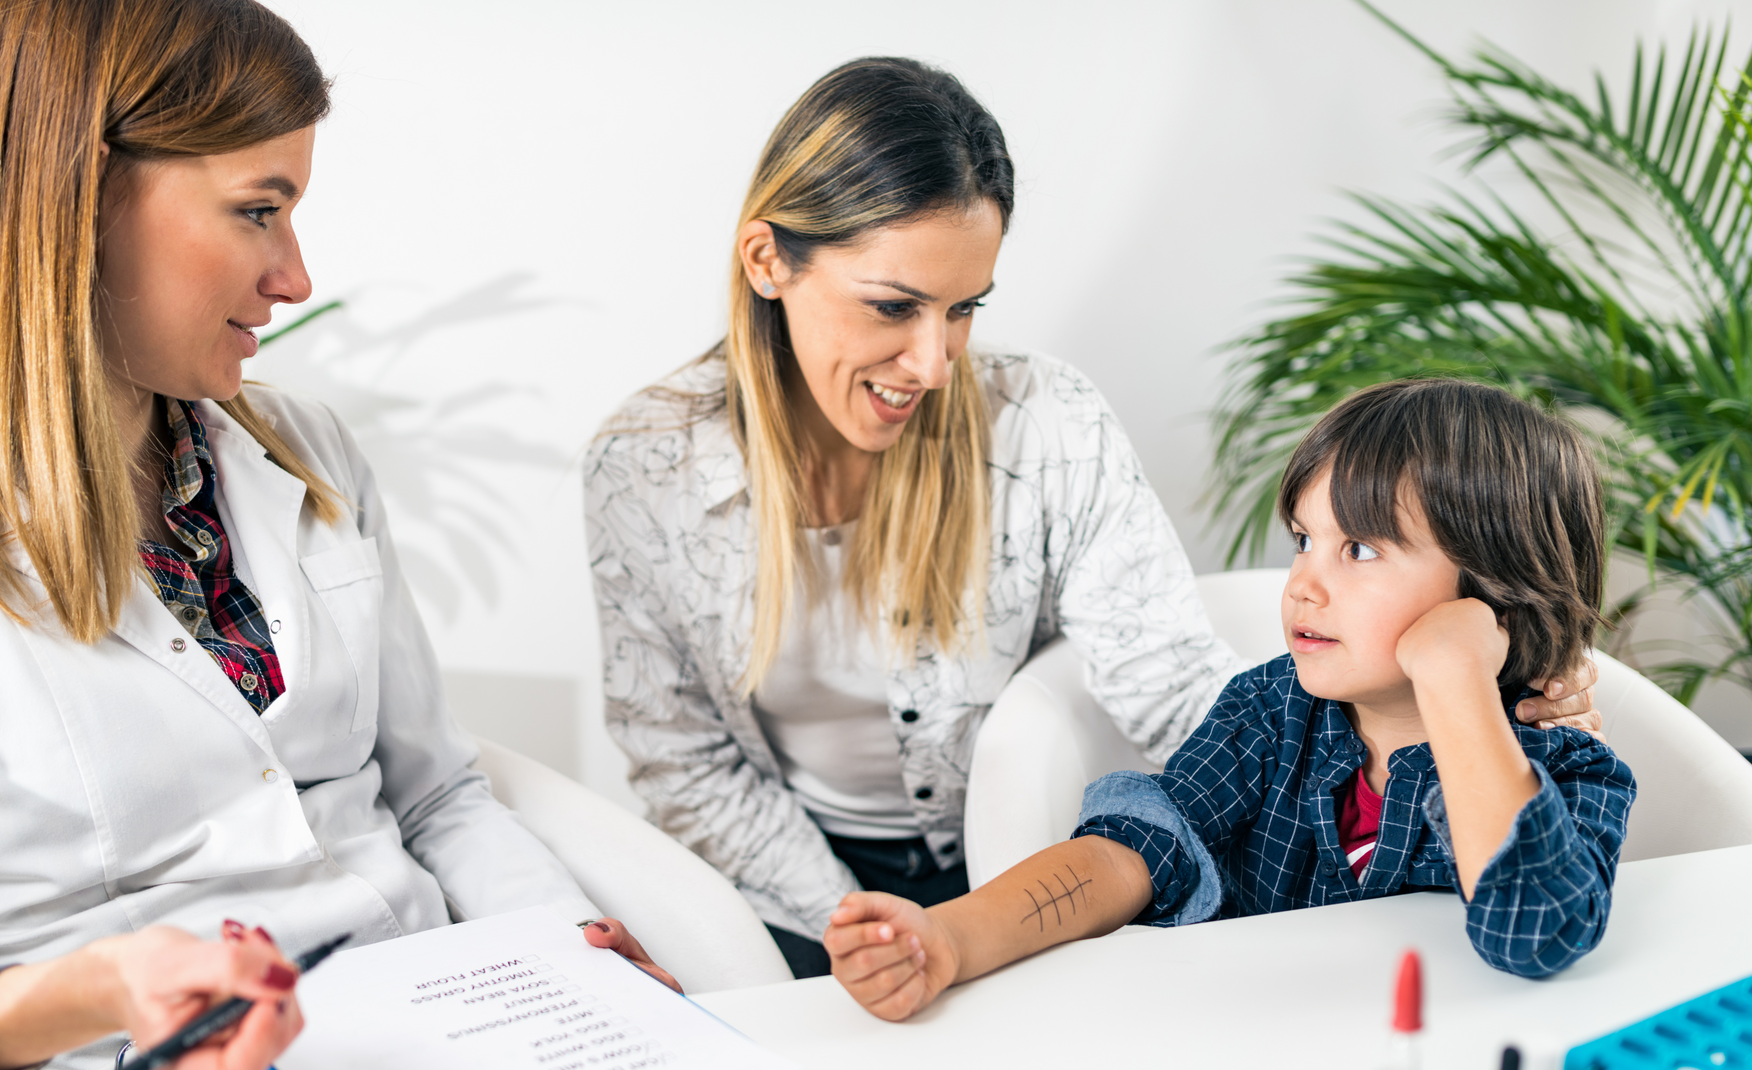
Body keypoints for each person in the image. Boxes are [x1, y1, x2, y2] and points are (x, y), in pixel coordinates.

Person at [0, 0, 670, 1070]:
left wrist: (578, 957)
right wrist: (83, 992)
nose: (294, 276)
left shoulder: (302, 449)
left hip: (455, 1031)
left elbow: (433, 793)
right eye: (257, 211)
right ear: (71, 205)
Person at [582, 58, 1601, 979]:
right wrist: (858, 928)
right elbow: (681, 759)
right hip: (784, 894)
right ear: (769, 261)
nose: (936, 364)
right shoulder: (643, 467)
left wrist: (1459, 698)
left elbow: (1176, 699)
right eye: (894, 306)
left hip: (1011, 861)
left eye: (966, 307)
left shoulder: (1048, 426)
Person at [825, 379, 1637, 1019]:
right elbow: (1131, 852)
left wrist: (1455, 681)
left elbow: (1534, 935)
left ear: (1491, 592)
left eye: (1358, 548)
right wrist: (954, 938)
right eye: (1303, 540)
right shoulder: (1269, 713)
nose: (1304, 584)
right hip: (1250, 1061)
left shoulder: (1571, 768)